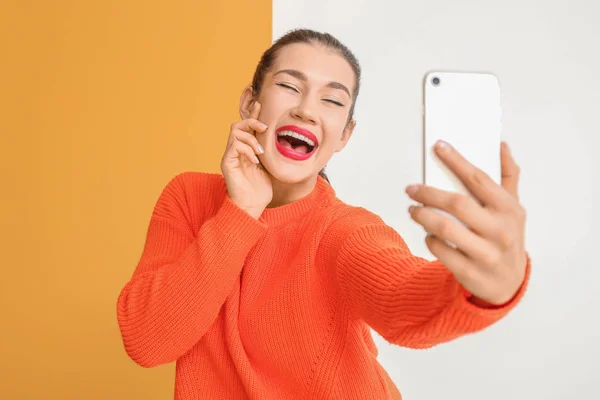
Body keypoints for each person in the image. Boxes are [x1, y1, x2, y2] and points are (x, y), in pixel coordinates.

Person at [116, 29, 531, 399]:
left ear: (344, 136)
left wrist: (486, 288)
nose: (307, 111)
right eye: (289, 86)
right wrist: (241, 210)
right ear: (250, 103)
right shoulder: (189, 198)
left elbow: (400, 298)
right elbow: (147, 340)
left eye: (332, 100)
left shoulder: (344, 231)